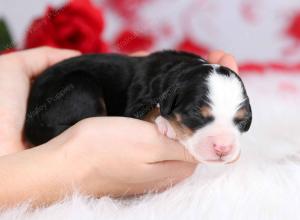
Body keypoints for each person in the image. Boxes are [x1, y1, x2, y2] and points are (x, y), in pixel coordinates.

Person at [0, 47, 239, 208]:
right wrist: (73, 165)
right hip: (62, 97)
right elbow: (140, 108)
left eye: (238, 120)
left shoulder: (175, 78)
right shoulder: (159, 86)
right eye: (199, 116)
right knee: (82, 89)